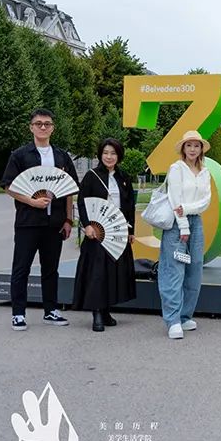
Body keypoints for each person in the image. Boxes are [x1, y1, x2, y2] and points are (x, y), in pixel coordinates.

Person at [1, 108, 79, 331]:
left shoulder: (62, 156)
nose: (43, 127)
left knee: (50, 269)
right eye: (38, 124)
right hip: (28, 221)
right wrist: (31, 201)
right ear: (31, 127)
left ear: (53, 128)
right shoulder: (20, 155)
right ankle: (18, 313)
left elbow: (68, 190)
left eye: (47, 124)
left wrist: (68, 219)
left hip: (54, 223)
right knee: (21, 268)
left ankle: (51, 310)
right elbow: (9, 187)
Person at [72, 138, 137, 331]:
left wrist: (131, 231)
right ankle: (97, 313)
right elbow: (82, 203)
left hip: (117, 233)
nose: (109, 157)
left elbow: (129, 206)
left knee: (113, 272)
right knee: (97, 273)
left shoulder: (124, 177)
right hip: (97, 233)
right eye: (106, 153)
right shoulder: (91, 176)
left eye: (113, 153)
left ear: (119, 156)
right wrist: (87, 226)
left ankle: (107, 309)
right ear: (100, 154)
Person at [160, 130, 213, 340]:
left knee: (194, 268)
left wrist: (188, 210)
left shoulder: (204, 171)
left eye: (196, 145)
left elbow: (206, 200)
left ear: (201, 149)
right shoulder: (176, 169)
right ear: (183, 148)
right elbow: (175, 200)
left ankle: (185, 315)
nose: (192, 149)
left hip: (195, 221)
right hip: (176, 224)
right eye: (189, 145)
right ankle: (172, 319)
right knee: (173, 270)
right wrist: (183, 226)